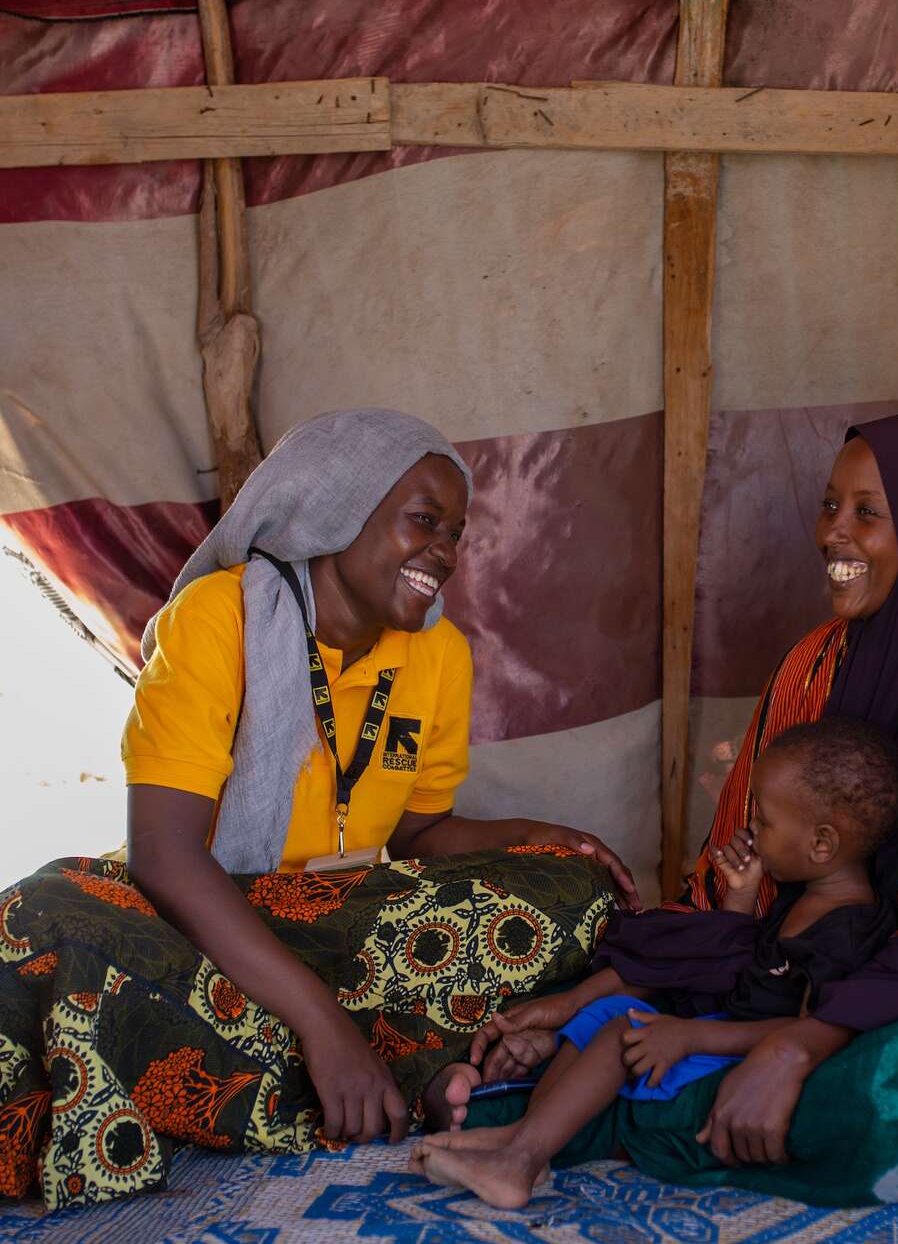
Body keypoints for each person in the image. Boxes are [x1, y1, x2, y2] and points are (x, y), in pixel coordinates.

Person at [0, 409, 635, 1211]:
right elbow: (163, 857)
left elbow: (419, 834)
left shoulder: (438, 656)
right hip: (201, 927)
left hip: (338, 925)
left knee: (572, 891)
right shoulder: (217, 618)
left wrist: (535, 838)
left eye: (456, 533)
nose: (444, 550)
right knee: (39, 916)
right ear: (335, 510)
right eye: (423, 522)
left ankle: (270, 1072)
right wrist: (326, 1025)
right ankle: (396, 1058)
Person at [460, 411, 898, 1208]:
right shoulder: (811, 667)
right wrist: (601, 994)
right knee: (620, 984)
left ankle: (604, 1116)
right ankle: (616, 1104)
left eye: (869, 512)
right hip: (787, 975)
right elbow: (741, 891)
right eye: (831, 506)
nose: (834, 534)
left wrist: (802, 1043)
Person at [410, 719, 898, 1207]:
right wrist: (741, 899)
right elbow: (742, 969)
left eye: (766, 821)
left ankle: (517, 1163)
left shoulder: (850, 927)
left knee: (626, 1030)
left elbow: (810, 1028)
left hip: (737, 1046)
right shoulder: (801, 897)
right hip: (724, 1024)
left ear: (821, 844)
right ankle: (527, 1142)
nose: (751, 827)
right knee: (603, 1014)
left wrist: (691, 1035)